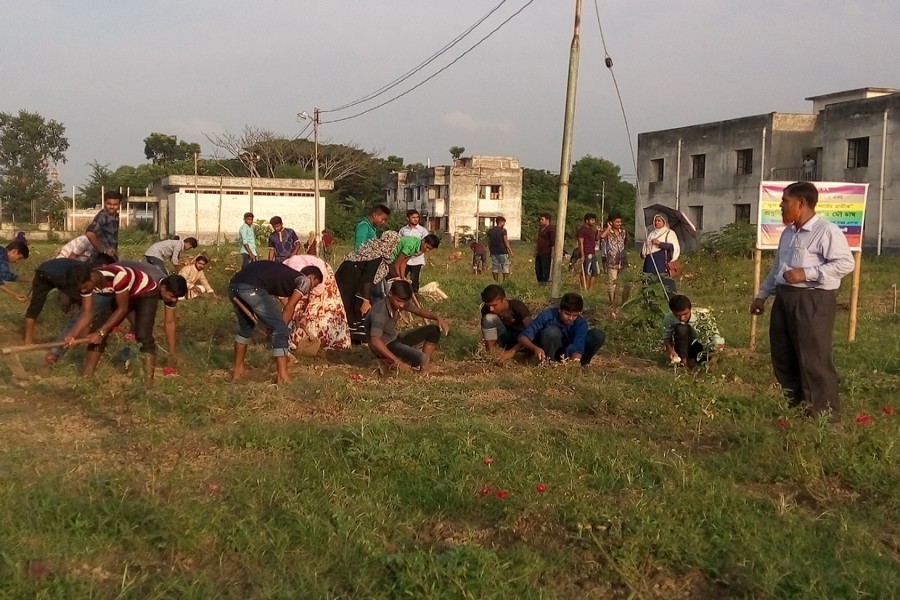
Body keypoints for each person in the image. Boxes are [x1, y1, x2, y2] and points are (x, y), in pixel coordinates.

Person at [750, 181, 855, 420]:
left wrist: (806, 273)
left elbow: (846, 263)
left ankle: (825, 418)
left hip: (812, 300)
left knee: (813, 359)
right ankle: (799, 409)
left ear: (801, 203)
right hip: (785, 298)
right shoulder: (788, 232)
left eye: (785, 201)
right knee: (783, 355)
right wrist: (762, 295)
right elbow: (778, 267)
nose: (781, 205)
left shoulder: (826, 231)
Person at [65, 262, 188, 384]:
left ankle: (148, 384)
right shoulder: (85, 282)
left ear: (91, 277)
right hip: (125, 292)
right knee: (98, 330)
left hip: (146, 291)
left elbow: (123, 309)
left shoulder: (119, 277)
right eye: (81, 288)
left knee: (143, 335)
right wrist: (72, 334)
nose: (84, 290)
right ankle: (87, 377)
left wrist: (172, 353)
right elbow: (87, 312)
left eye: (85, 287)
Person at [229, 261, 323, 383]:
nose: (310, 290)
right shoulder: (304, 281)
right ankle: (283, 377)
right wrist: (280, 333)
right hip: (251, 287)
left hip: (233, 287)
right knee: (280, 329)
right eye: (314, 285)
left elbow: (287, 307)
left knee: (246, 328)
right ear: (312, 277)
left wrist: (279, 326)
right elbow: (290, 307)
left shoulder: (285, 279)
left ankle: (238, 371)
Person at [365, 279, 449, 375]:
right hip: (385, 345)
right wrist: (397, 362)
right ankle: (385, 360)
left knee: (433, 330)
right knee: (421, 358)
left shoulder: (400, 302)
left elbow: (418, 311)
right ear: (390, 294)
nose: (402, 305)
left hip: (395, 339)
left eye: (404, 302)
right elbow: (375, 341)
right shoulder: (380, 312)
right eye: (399, 301)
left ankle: (424, 368)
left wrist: (437, 317)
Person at [334, 231, 402, 342]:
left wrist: (398, 279)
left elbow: (388, 266)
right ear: (391, 243)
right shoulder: (376, 255)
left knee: (349, 304)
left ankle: (349, 334)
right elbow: (367, 279)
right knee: (351, 305)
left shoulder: (376, 248)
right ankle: (349, 335)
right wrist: (366, 300)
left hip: (348, 274)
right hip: (350, 278)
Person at [517, 292, 606, 367]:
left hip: (569, 352)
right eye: (567, 314)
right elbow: (523, 337)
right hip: (552, 350)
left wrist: (574, 362)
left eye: (574, 315)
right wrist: (535, 348)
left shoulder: (581, 323)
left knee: (597, 335)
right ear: (559, 310)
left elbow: (579, 346)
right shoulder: (547, 315)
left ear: (580, 313)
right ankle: (549, 362)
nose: (570, 318)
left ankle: (583, 364)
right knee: (551, 331)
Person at [283, 254, 350, 351]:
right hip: (298, 275)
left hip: (321, 272)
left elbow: (315, 299)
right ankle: (292, 339)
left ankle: (328, 341)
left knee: (326, 309)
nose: (310, 289)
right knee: (294, 308)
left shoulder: (319, 279)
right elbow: (285, 299)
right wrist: (295, 314)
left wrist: (307, 316)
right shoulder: (289, 276)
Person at [22, 258, 92, 345]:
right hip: (60, 275)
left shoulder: (81, 266)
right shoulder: (88, 271)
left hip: (42, 270)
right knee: (85, 306)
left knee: (35, 306)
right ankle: (81, 339)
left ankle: (28, 341)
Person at [661, 294, 725, 368]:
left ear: (690, 308)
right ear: (672, 312)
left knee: (703, 364)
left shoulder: (703, 315)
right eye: (678, 315)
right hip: (684, 347)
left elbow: (715, 334)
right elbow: (667, 336)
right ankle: (683, 363)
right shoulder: (669, 318)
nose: (682, 318)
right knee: (681, 328)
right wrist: (671, 351)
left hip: (703, 347)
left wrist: (715, 354)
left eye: (685, 314)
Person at [480, 284, 532, 361]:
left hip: (523, 339)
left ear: (504, 300)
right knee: (488, 318)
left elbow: (531, 330)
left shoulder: (517, 306)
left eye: (494, 305)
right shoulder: (486, 310)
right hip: (505, 338)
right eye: (489, 306)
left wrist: (512, 351)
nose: (491, 309)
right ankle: (491, 354)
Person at [599, 212, 631, 307]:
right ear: (611, 222)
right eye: (617, 222)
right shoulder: (608, 232)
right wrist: (608, 228)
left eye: (620, 222)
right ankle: (612, 303)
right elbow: (601, 236)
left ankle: (623, 303)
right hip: (612, 261)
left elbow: (625, 243)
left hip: (623, 260)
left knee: (628, 282)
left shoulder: (623, 232)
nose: (619, 224)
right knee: (612, 283)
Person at [641, 213, 680, 292]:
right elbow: (645, 248)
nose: (657, 223)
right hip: (649, 261)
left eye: (659, 221)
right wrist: (646, 249)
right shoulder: (651, 234)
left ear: (664, 222)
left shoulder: (669, 233)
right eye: (655, 221)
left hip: (661, 262)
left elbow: (672, 247)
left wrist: (659, 243)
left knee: (662, 281)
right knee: (649, 281)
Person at [85, 190, 121, 263]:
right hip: (100, 258)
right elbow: (89, 233)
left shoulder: (116, 216)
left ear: (119, 204)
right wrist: (103, 250)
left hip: (111, 257)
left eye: (115, 204)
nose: (112, 207)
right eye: (109, 204)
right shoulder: (103, 216)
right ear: (104, 203)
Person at [399, 209, 430, 292]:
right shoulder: (403, 230)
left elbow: (427, 245)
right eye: (413, 217)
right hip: (404, 259)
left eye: (417, 217)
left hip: (416, 260)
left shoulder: (423, 231)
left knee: (414, 280)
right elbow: (399, 243)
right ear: (408, 218)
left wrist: (420, 253)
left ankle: (415, 297)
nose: (416, 219)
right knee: (400, 278)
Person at [576, 214, 599, 290]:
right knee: (585, 272)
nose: (594, 222)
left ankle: (590, 289)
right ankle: (584, 289)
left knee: (595, 272)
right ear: (587, 221)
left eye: (594, 220)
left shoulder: (591, 230)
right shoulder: (582, 230)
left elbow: (596, 239)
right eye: (592, 220)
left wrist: (598, 231)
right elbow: (580, 243)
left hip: (592, 253)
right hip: (586, 253)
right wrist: (582, 255)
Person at [487, 216, 512, 282]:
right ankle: (505, 281)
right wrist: (510, 250)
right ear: (501, 222)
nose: (504, 224)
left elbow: (489, 242)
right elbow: (505, 241)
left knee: (495, 267)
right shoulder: (503, 230)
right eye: (504, 222)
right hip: (503, 251)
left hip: (494, 252)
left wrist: (490, 250)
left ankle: (496, 281)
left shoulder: (490, 231)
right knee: (505, 266)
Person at [534, 213, 555, 285]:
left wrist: (552, 252)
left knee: (545, 268)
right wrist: (535, 250)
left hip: (546, 252)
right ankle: (540, 282)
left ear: (547, 220)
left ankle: (545, 282)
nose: (540, 221)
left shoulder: (551, 229)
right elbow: (538, 240)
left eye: (542, 219)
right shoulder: (541, 229)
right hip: (540, 251)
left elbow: (553, 242)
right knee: (537, 268)